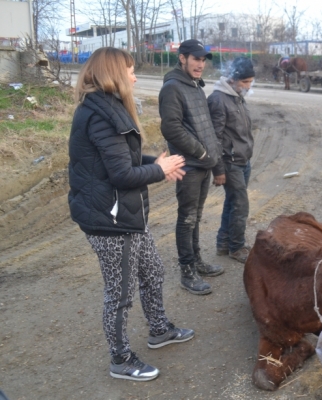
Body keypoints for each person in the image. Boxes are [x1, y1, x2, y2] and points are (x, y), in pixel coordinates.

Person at [68, 47, 194, 381]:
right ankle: (121, 359)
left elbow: (120, 160)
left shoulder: (107, 107)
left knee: (152, 272)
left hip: (126, 216)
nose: (135, 76)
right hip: (110, 221)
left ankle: (159, 330)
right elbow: (121, 175)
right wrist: (161, 169)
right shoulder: (100, 115)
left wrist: (154, 162)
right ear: (113, 73)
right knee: (119, 294)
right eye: (131, 70)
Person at [159, 39, 224, 295]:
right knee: (186, 218)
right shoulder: (173, 88)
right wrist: (200, 151)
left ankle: (197, 261)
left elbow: (204, 126)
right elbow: (171, 127)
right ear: (182, 58)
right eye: (196, 59)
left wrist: (213, 158)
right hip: (189, 165)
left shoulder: (195, 87)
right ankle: (187, 271)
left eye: (203, 59)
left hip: (203, 164)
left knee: (195, 216)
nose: (201, 64)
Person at [208, 57, 255, 263]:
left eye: (250, 82)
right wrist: (218, 169)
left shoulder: (236, 96)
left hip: (243, 160)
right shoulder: (219, 99)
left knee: (233, 202)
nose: (248, 86)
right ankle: (236, 247)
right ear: (233, 79)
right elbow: (214, 139)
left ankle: (224, 243)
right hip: (231, 163)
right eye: (245, 82)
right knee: (241, 205)